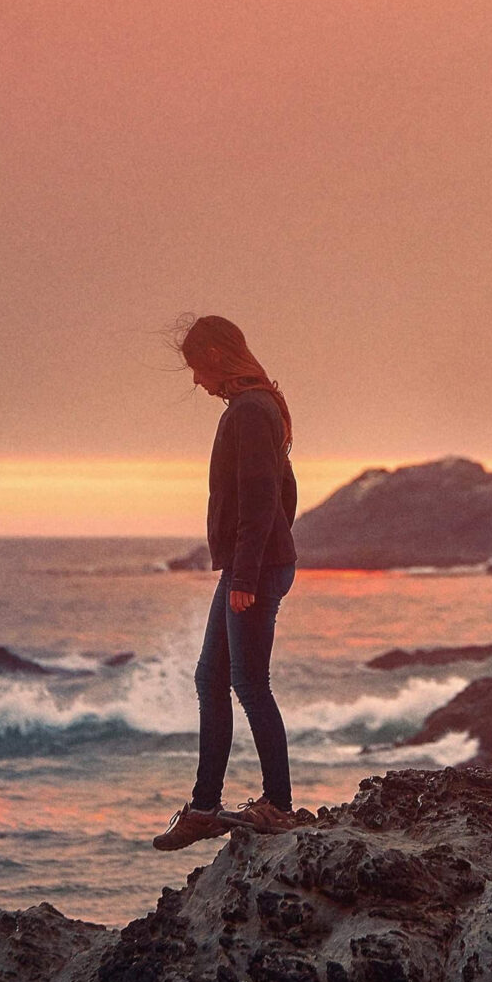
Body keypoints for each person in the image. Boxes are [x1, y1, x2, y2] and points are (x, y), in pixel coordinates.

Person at [153, 315, 306, 850]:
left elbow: (263, 499)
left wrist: (245, 574)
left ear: (217, 355)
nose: (196, 380)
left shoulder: (250, 411)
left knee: (249, 684)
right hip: (258, 564)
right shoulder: (260, 407)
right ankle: (204, 807)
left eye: (196, 366)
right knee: (211, 679)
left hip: (256, 569)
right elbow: (285, 495)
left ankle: (279, 806)